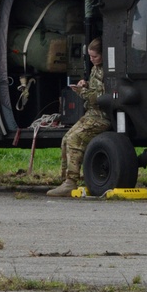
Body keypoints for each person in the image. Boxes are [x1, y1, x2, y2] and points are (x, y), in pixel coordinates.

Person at [47, 38, 111, 197]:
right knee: (66, 138)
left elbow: (101, 96)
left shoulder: (108, 72)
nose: (92, 59)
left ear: (103, 55)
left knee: (75, 139)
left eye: (94, 56)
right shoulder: (96, 69)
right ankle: (66, 180)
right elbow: (94, 88)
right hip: (91, 114)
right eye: (90, 56)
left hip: (101, 116)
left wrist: (81, 92)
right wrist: (85, 84)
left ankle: (71, 181)